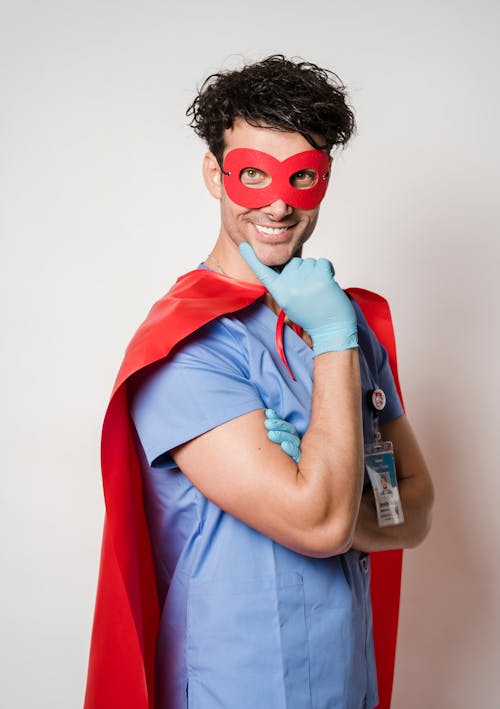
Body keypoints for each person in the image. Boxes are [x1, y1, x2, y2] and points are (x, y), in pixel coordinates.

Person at [85, 55, 434, 709]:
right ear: (215, 174)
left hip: (347, 682)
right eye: (254, 174)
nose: (278, 202)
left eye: (302, 177)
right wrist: (334, 346)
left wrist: (331, 487)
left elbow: (412, 506)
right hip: (233, 687)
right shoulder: (186, 348)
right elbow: (322, 525)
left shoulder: (344, 318)